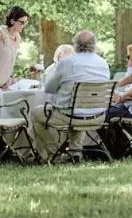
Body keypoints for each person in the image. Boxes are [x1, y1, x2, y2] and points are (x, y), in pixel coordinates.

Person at [32, 30, 111, 160]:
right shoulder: (103, 63)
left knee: (36, 113)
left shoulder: (66, 62)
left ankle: (54, 153)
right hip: (98, 116)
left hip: (69, 116)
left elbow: (50, 88)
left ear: (75, 44)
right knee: (78, 109)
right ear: (94, 45)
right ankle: (75, 153)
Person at [0, 5, 29, 89]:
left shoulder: (17, 37)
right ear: (12, 21)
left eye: (25, 23)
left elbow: (9, 62)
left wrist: (8, 78)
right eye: (21, 22)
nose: (23, 25)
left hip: (4, 85)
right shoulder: (0, 34)